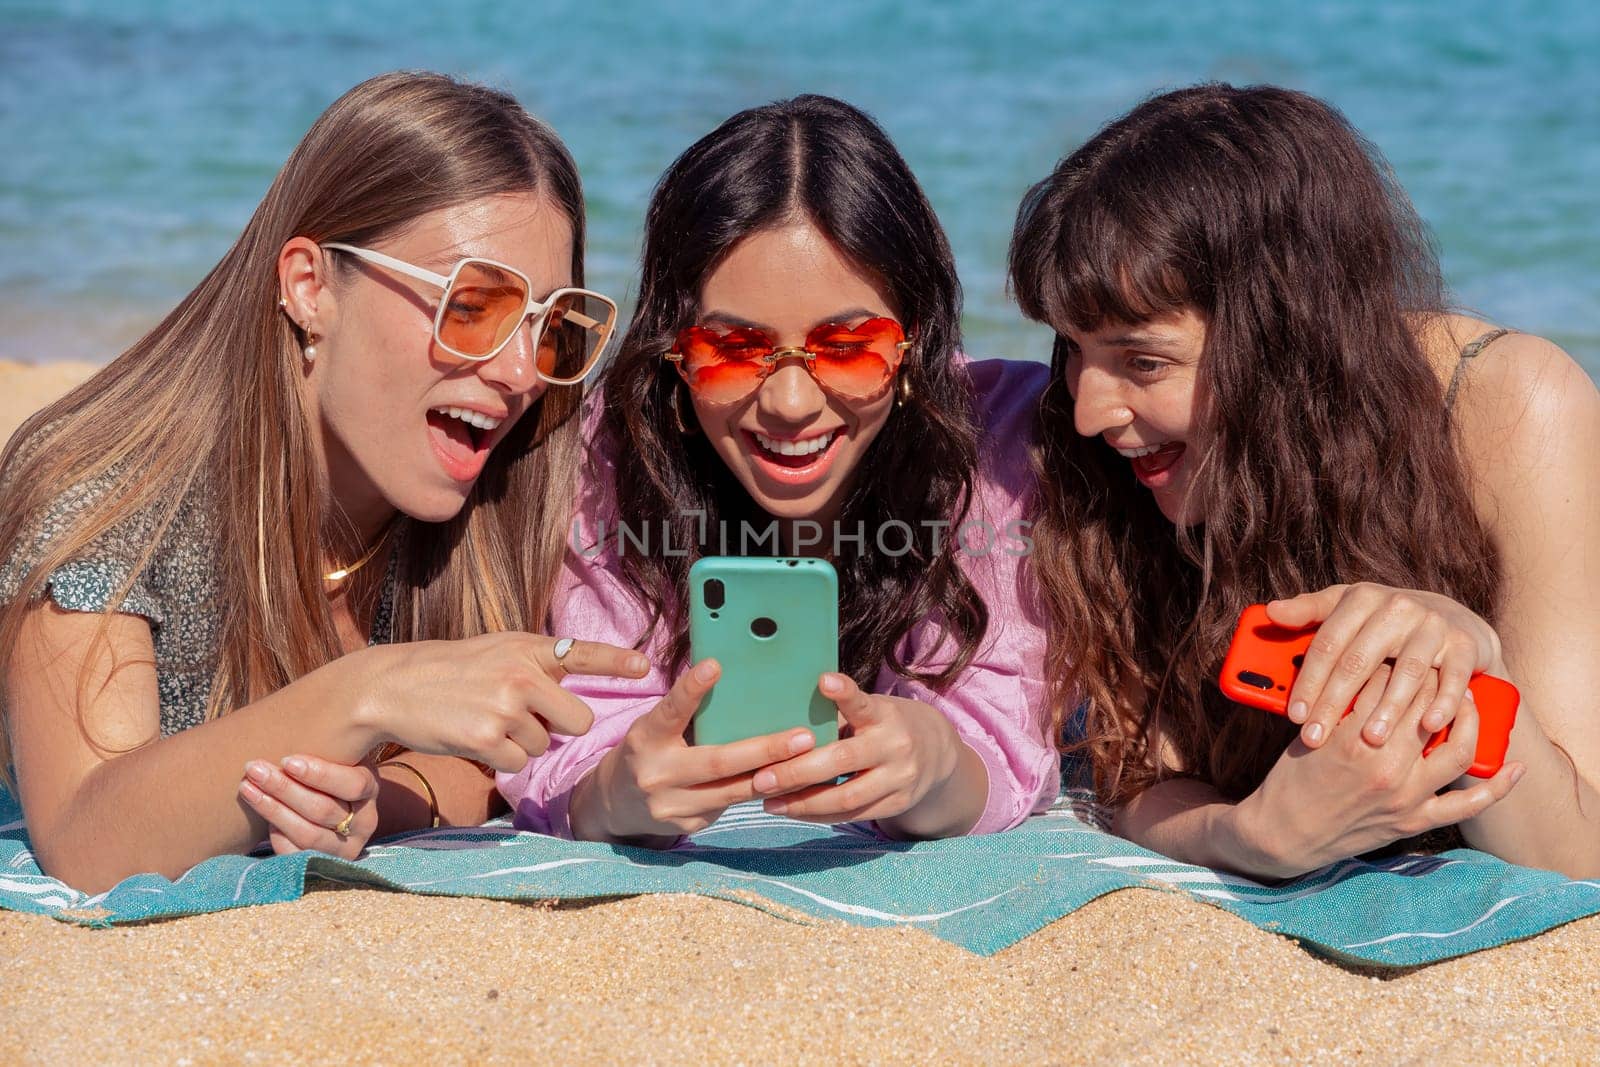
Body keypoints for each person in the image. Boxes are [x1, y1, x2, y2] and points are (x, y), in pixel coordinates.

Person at [0, 72, 646, 893]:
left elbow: (487, 766)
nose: (522, 372)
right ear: (310, 287)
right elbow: (88, 837)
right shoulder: (109, 490)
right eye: (472, 303)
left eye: (553, 325)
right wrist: (364, 694)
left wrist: (382, 795)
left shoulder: (502, 490)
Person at [1008, 83, 1600, 879]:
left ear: (1284, 340)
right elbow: (1136, 781)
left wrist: (1468, 663)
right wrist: (1247, 836)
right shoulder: (1104, 468)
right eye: (1075, 349)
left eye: (1143, 361)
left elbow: (1576, 856)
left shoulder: (1507, 405)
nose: (1087, 412)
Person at [498, 95, 1060, 847]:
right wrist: (615, 795)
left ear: (914, 343)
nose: (790, 402)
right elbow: (582, 743)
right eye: (733, 351)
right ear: (675, 350)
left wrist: (930, 766)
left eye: (848, 346)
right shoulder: (611, 451)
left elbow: (1003, 734)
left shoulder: (997, 437)